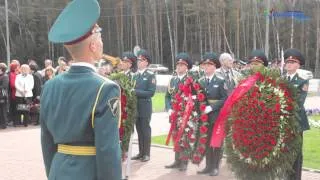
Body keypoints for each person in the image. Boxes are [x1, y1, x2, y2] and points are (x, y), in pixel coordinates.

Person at [40, 0, 122, 180]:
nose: (101, 42)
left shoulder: (49, 86)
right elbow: (107, 150)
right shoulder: (105, 88)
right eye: (99, 37)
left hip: (58, 170)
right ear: (92, 46)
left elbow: (47, 143)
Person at [197, 52, 227, 176]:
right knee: (206, 142)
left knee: (216, 142)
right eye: (205, 65)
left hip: (216, 116)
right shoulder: (200, 81)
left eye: (210, 65)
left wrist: (212, 107)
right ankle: (208, 166)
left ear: (215, 67)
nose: (207, 67)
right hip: (204, 117)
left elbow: (225, 98)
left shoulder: (220, 80)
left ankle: (215, 166)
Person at [284, 48, 309, 180]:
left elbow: (299, 101)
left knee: (296, 151)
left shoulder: (302, 81)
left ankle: (295, 177)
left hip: (296, 121)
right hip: (282, 122)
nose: (289, 64)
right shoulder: (280, 79)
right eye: (287, 61)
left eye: (293, 62)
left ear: (298, 65)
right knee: (283, 150)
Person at [164, 52, 192, 171]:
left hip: (185, 114)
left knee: (185, 137)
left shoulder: (190, 80)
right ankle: (177, 160)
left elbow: (193, 98)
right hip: (174, 114)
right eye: (178, 65)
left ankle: (184, 161)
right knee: (176, 136)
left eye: (182, 65)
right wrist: (169, 108)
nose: (179, 67)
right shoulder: (173, 80)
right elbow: (167, 96)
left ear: (187, 67)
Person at [131, 49, 156, 162]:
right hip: (136, 107)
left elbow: (151, 93)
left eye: (141, 60)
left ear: (147, 62)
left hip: (145, 107)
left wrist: (135, 92)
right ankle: (141, 152)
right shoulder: (135, 75)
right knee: (139, 130)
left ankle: (147, 153)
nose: (139, 62)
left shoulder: (150, 75)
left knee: (145, 130)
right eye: (138, 60)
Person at [0, 63, 9, 129]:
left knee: (3, 110)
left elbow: (4, 86)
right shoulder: (1, 76)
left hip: (3, 96)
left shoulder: (5, 76)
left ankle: (4, 124)